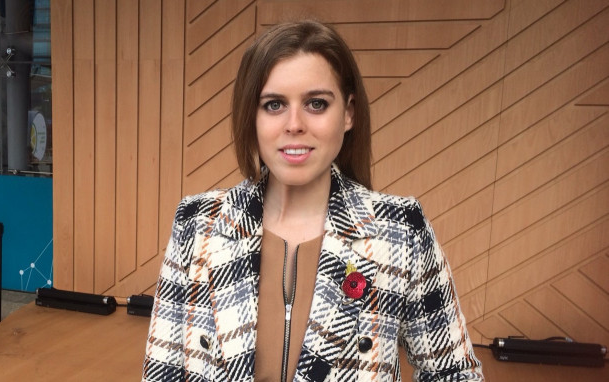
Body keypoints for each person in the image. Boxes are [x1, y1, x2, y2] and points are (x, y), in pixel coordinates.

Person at [142, 21, 483, 381]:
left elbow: (454, 373)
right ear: (251, 117)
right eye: (273, 105)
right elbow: (161, 374)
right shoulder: (197, 224)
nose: (294, 124)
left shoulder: (401, 231)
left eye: (316, 104)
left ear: (348, 113)